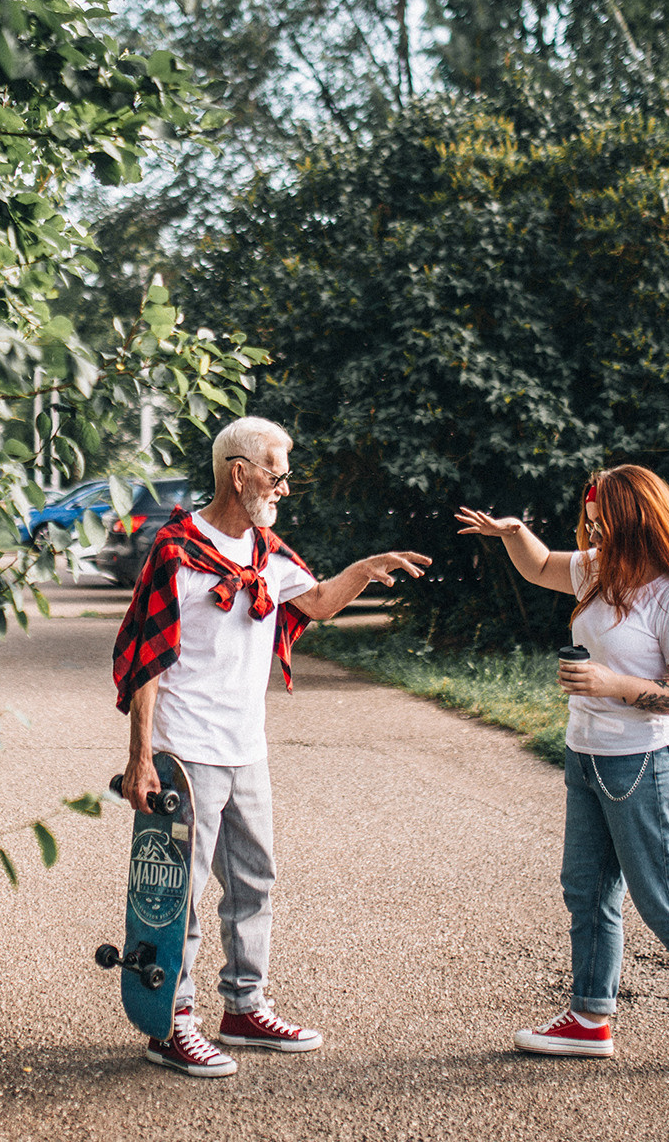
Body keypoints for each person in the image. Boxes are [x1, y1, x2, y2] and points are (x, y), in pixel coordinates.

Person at [111, 416, 431, 1077]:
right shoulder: (177, 551)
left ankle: (244, 1006)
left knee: (255, 880)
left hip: (246, 750)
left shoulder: (266, 551)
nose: (284, 487)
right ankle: (172, 1021)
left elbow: (313, 601)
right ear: (240, 472)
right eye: (277, 473)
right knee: (182, 896)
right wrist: (140, 758)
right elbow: (145, 662)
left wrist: (365, 570)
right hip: (187, 752)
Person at [455, 466, 669, 1077]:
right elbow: (540, 565)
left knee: (664, 900)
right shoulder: (601, 570)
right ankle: (590, 1018)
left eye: (605, 521)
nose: (595, 530)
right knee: (587, 888)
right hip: (588, 757)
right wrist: (514, 532)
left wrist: (613, 685)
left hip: (650, 765)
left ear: (640, 521)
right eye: (591, 520)